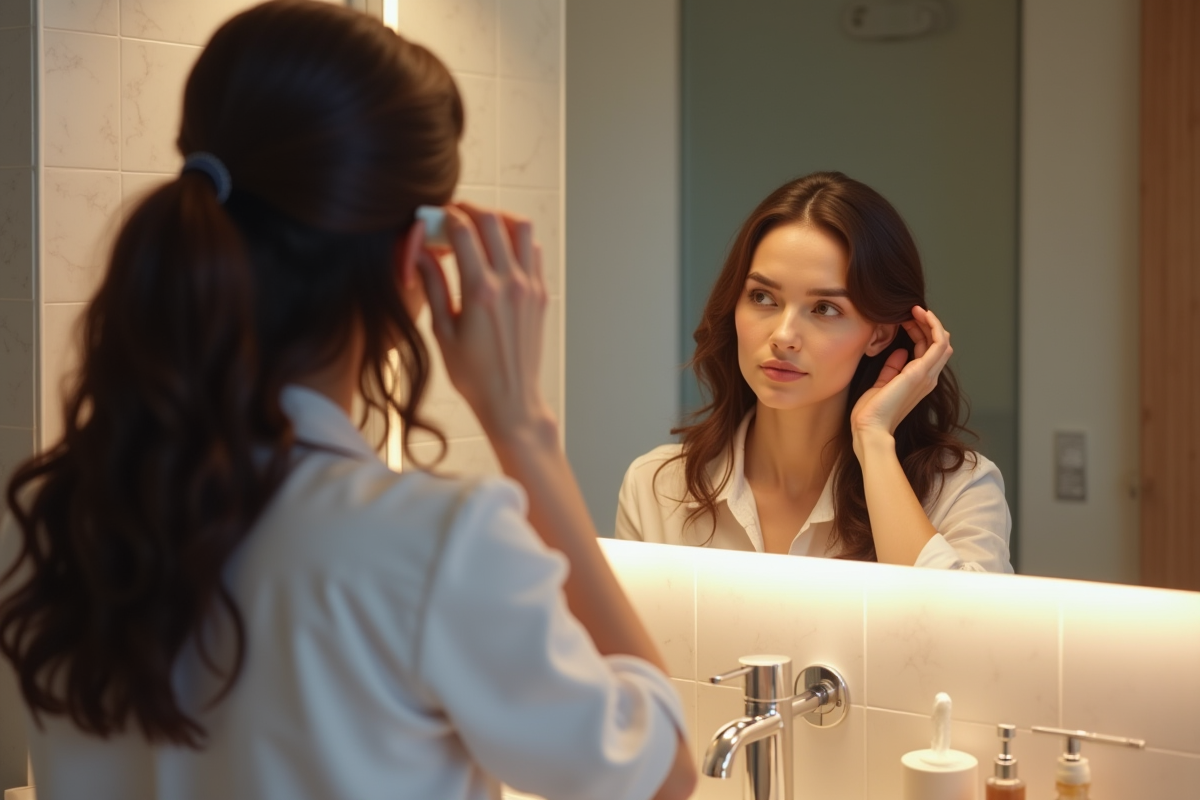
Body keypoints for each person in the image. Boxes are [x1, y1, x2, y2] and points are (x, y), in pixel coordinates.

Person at [0, 2, 696, 799]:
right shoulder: (432, 547)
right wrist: (524, 432)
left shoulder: (55, 518)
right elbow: (663, 772)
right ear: (416, 254)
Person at [616, 172, 1012, 572]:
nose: (783, 336)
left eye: (824, 308)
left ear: (878, 335)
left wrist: (873, 440)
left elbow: (950, 615)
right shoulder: (655, 489)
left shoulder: (959, 492)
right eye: (762, 297)